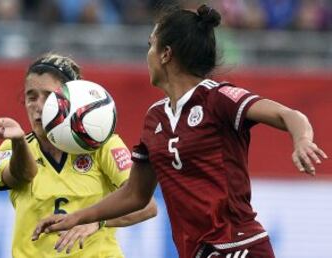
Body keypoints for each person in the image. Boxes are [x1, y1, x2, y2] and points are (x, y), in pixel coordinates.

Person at [32, 5, 328, 258]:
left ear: (166, 54)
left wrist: (301, 140)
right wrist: (77, 217)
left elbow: (288, 114)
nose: (147, 54)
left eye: (151, 45)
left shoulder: (217, 98)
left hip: (238, 246)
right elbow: (135, 194)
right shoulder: (155, 118)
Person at [0, 53, 157, 258]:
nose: (38, 105)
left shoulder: (101, 144)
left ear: (70, 99)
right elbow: (22, 175)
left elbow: (146, 205)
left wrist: (96, 221)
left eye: (48, 96)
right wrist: (19, 141)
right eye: (31, 96)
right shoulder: (12, 147)